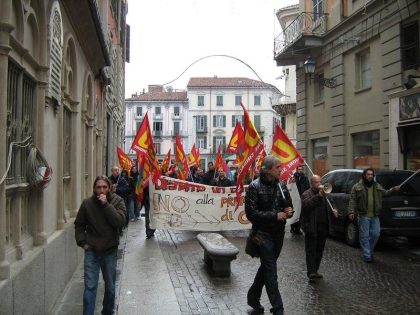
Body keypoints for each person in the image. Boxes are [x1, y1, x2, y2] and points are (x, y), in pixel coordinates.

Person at [245, 155, 294, 315]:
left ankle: (252, 296)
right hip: (262, 235)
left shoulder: (281, 185)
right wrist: (275, 215)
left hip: (278, 234)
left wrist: (289, 211)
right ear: (269, 170)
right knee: (271, 271)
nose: (281, 169)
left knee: (267, 267)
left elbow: (289, 206)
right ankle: (278, 309)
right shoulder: (254, 186)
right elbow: (251, 213)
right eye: (278, 167)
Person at [74, 176, 126, 315]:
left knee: (110, 287)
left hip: (109, 251)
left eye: (104, 187)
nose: (101, 190)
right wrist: (83, 242)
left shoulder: (117, 201)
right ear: (94, 188)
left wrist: (106, 205)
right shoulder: (87, 204)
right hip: (92, 251)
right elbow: (79, 225)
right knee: (90, 287)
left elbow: (119, 222)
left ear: (109, 188)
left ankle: (108, 312)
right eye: (98, 187)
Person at [348, 168, 399, 262]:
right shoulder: (357, 186)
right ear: (364, 175)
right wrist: (351, 211)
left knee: (376, 234)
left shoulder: (377, 186)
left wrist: (393, 189)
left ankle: (369, 250)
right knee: (364, 236)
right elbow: (352, 200)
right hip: (363, 215)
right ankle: (367, 255)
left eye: (371, 174)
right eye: (368, 174)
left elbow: (385, 193)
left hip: (375, 215)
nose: (370, 176)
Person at [301, 175, 339, 283]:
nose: (319, 184)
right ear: (311, 183)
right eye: (316, 182)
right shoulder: (306, 194)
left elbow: (333, 204)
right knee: (311, 250)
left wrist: (335, 210)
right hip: (311, 226)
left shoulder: (326, 194)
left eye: (320, 182)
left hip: (323, 226)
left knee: (319, 250)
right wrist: (318, 196)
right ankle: (311, 272)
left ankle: (315, 270)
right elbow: (307, 206)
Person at [290, 165, 310, 235]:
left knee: (300, 214)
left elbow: (308, 187)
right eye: (299, 169)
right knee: (294, 212)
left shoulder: (305, 178)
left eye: (301, 169)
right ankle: (292, 227)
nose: (300, 170)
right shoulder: (293, 177)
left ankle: (298, 228)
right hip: (294, 198)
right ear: (297, 170)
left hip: (302, 198)